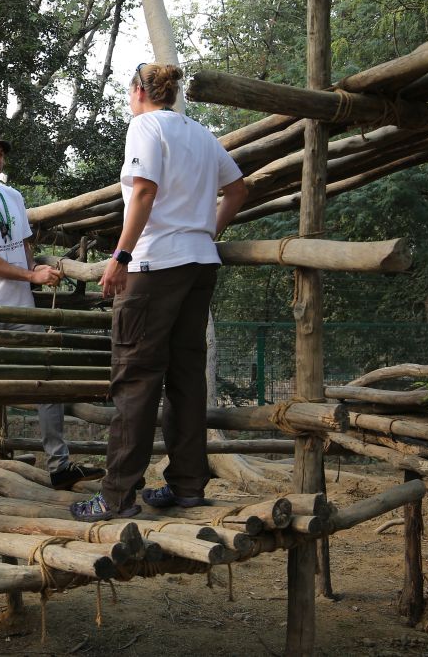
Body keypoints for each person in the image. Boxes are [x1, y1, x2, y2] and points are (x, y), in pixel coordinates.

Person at [70, 63, 249, 522]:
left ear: (138, 92)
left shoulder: (144, 127)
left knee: (135, 378)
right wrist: (206, 231)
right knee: (187, 377)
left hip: (154, 267)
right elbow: (238, 189)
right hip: (199, 265)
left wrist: (120, 257)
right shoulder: (202, 134)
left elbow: (144, 193)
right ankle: (187, 485)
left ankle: (117, 496)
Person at [0, 133, 105, 507]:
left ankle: (60, 466)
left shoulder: (13, 197)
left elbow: (23, 243)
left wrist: (34, 266)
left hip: (22, 309)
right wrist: (32, 277)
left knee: (44, 380)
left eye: (1, 152)